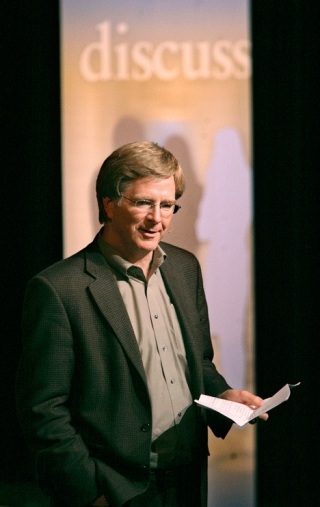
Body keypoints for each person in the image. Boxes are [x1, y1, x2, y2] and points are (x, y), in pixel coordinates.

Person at [16, 141, 266, 507]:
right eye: (143, 203)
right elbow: (43, 411)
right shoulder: (58, 289)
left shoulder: (184, 269)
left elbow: (197, 364)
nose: (157, 219)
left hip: (187, 483)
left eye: (167, 205)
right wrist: (90, 492)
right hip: (115, 491)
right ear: (109, 204)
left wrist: (224, 396)